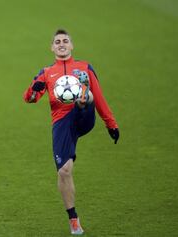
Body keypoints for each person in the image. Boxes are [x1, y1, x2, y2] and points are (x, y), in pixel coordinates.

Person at [23, 29, 119, 235]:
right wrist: (34, 88)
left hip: (83, 116)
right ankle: (73, 220)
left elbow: (100, 97)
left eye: (65, 41)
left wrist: (111, 124)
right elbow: (29, 98)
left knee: (89, 96)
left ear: (71, 46)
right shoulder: (47, 73)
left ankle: (82, 101)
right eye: (57, 42)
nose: (61, 44)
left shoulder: (84, 68)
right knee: (64, 171)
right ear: (52, 47)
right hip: (62, 123)